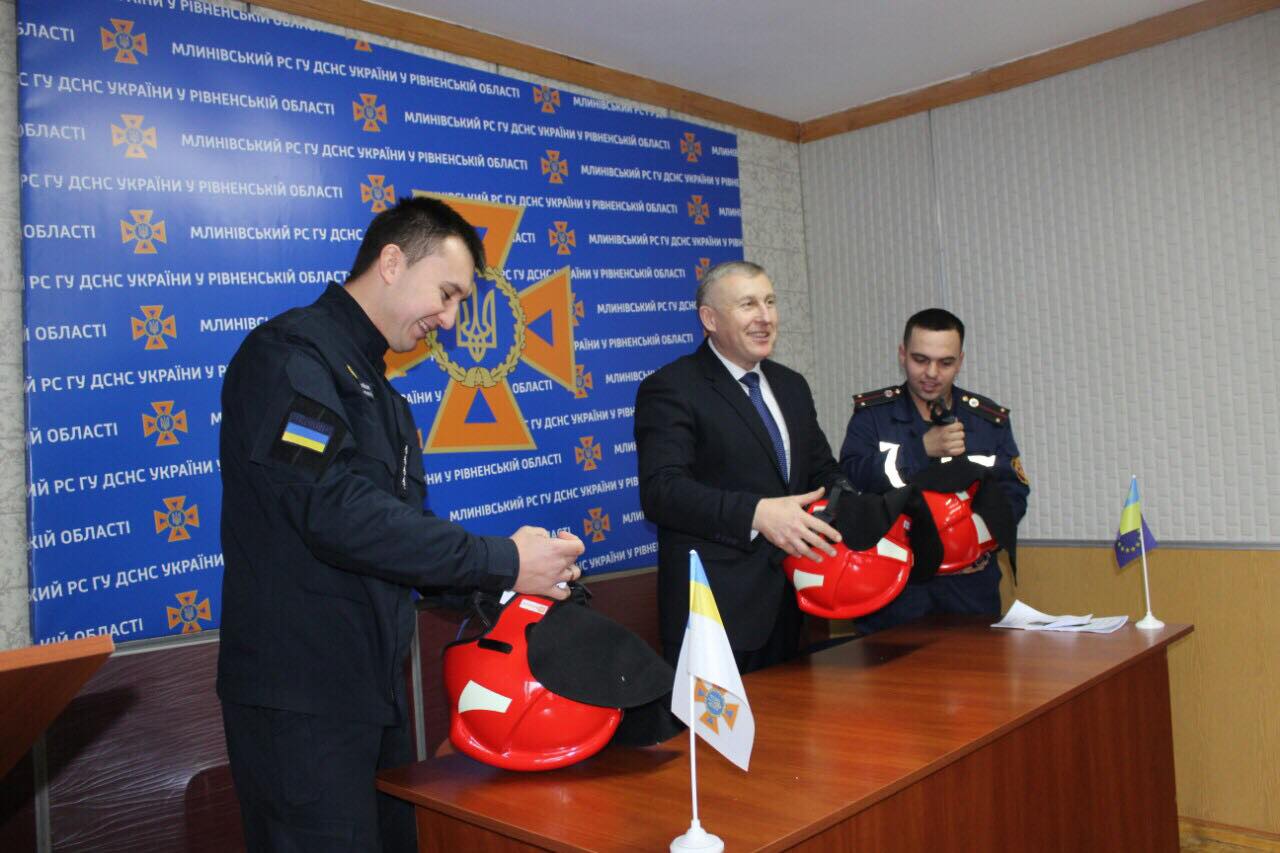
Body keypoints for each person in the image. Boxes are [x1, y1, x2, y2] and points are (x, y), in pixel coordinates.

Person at [216, 196, 585, 853]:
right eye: (447, 294)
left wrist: (523, 580)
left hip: (373, 694)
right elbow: (329, 506)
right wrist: (501, 559)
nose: (449, 319)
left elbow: (404, 538)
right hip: (302, 702)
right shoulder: (290, 357)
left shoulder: (385, 398)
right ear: (392, 262)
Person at [634, 260, 847, 674]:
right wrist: (757, 514)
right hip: (715, 614)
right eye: (748, 305)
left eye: (770, 302)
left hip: (793, 606)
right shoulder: (672, 388)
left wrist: (857, 504)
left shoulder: (791, 385)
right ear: (709, 319)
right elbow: (661, 491)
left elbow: (823, 473)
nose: (765, 317)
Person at [839, 308, 1029, 634]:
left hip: (969, 587)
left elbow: (1013, 495)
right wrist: (919, 450)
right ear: (902, 355)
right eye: (920, 359)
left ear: (961, 361)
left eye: (945, 363)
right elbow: (851, 481)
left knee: (975, 667)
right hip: (894, 588)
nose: (931, 373)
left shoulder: (987, 420)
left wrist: (971, 543)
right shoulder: (873, 416)